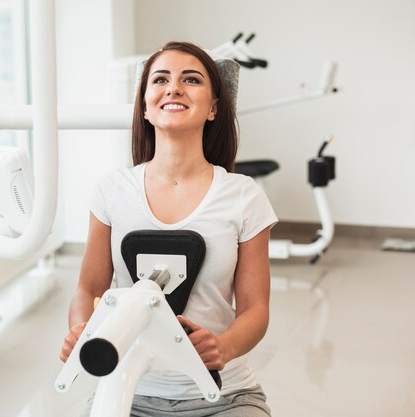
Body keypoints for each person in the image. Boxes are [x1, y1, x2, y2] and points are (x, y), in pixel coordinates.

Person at [59, 41, 277, 417]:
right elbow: (89, 289)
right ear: (145, 106)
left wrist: (222, 347)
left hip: (224, 396)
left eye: (190, 79)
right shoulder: (112, 190)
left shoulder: (243, 196)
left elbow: (255, 309)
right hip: (128, 391)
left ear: (213, 108)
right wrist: (82, 329)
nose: (174, 88)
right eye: (160, 79)